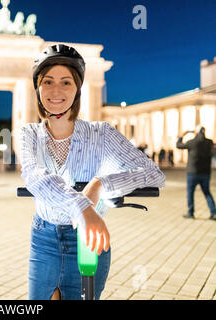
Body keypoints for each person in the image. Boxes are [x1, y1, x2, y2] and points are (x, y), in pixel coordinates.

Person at [18, 44, 165, 300]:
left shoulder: (102, 133)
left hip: (89, 238)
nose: (56, 90)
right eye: (48, 81)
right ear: (38, 88)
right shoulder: (28, 134)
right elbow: (33, 175)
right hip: (44, 240)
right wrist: (83, 207)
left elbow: (153, 173)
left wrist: (100, 183)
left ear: (77, 90)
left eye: (66, 82)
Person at [176, 127, 216, 220]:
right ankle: (214, 213)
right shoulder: (209, 142)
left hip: (193, 173)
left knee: (190, 193)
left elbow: (178, 145)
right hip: (205, 173)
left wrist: (182, 136)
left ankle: (190, 213)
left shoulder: (191, 142)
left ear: (196, 133)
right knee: (207, 193)